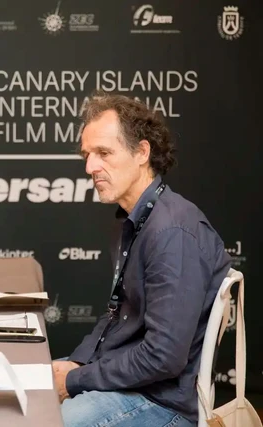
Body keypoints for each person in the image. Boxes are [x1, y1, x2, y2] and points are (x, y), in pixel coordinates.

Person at [54, 93, 232, 427]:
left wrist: (74, 380)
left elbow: (163, 357)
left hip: (161, 402)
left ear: (141, 153)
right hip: (128, 380)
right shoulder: (134, 218)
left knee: (43, 419)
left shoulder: (172, 232)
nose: (90, 167)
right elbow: (116, 315)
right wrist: (78, 364)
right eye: (87, 155)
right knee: (25, 390)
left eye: (104, 153)